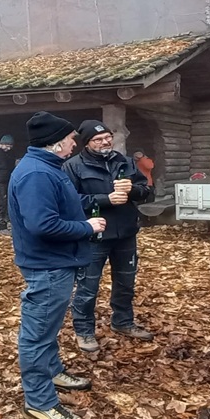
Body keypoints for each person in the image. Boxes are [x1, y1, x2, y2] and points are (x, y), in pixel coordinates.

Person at [8, 112, 106, 419]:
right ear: (56, 142)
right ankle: (40, 403)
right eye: (70, 138)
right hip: (47, 265)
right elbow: (42, 224)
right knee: (37, 335)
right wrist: (86, 227)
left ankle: (52, 371)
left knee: (47, 328)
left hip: (57, 262)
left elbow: (59, 207)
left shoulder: (49, 167)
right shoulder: (36, 174)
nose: (74, 143)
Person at [64, 121, 155, 352]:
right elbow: (68, 201)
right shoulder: (73, 166)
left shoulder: (125, 162)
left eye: (107, 137)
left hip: (126, 233)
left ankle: (123, 322)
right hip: (93, 236)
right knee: (87, 287)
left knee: (126, 283)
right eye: (98, 139)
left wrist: (132, 190)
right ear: (87, 143)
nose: (105, 142)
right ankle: (84, 331)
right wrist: (105, 200)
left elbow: (146, 191)